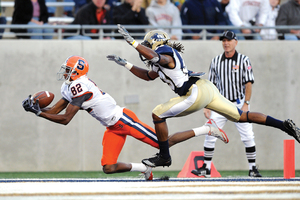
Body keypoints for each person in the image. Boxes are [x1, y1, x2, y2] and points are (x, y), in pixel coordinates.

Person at [107, 24, 300, 168]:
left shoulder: (164, 51)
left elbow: (158, 57)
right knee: (242, 116)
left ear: (156, 43)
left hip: (194, 92)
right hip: (206, 88)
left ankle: (164, 157)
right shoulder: (160, 60)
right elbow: (149, 76)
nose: (144, 47)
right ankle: (284, 126)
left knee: (157, 114)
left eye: (147, 44)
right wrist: (126, 64)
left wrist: (133, 43)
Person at [22, 55, 228, 180]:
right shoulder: (69, 86)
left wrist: (39, 112)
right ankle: (144, 168)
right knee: (108, 167)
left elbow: (66, 119)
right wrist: (34, 108)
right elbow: (57, 110)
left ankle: (207, 128)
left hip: (123, 120)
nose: (65, 73)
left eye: (68, 70)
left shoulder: (81, 87)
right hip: (112, 127)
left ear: (78, 72)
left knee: (161, 143)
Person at [191, 30, 261, 178]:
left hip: (238, 103)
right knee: (210, 132)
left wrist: (246, 103)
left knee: (248, 136)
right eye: (223, 40)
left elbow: (248, 83)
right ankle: (206, 168)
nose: (226, 43)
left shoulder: (243, 60)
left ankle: (253, 168)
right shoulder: (216, 61)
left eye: (229, 40)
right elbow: (210, 85)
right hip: (220, 103)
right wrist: (207, 105)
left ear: (235, 42)